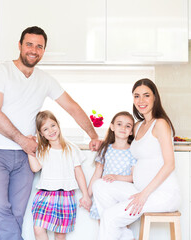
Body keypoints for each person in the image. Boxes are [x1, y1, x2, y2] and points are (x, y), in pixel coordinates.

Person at [0, 26, 101, 240]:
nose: (33, 50)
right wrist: (22, 141)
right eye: (29, 44)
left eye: (39, 46)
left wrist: (93, 135)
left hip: (27, 156)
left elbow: (72, 107)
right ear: (19, 46)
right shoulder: (1, 71)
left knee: (18, 213)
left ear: (43, 51)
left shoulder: (44, 79)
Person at [92, 78, 181, 240]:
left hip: (162, 194)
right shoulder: (138, 125)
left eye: (146, 95)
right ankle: (126, 235)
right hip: (140, 190)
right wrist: (100, 140)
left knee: (110, 217)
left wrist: (144, 194)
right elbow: (120, 135)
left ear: (155, 97)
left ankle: (119, 229)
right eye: (136, 96)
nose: (141, 100)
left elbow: (170, 165)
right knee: (100, 186)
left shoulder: (160, 124)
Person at [28, 110, 92, 240]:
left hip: (65, 196)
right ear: (41, 133)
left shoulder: (71, 148)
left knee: (60, 234)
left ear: (58, 125)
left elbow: (78, 172)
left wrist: (85, 195)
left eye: (53, 125)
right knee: (38, 228)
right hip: (45, 195)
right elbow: (35, 168)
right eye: (45, 129)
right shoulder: (41, 149)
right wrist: (29, 149)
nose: (51, 130)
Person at [87, 111, 136, 220]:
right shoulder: (105, 149)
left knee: (120, 228)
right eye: (119, 124)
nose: (123, 127)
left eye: (128, 126)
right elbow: (96, 175)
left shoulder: (133, 151)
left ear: (131, 131)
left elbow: (134, 177)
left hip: (121, 197)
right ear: (112, 127)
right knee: (104, 225)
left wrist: (116, 177)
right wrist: (87, 196)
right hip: (104, 196)